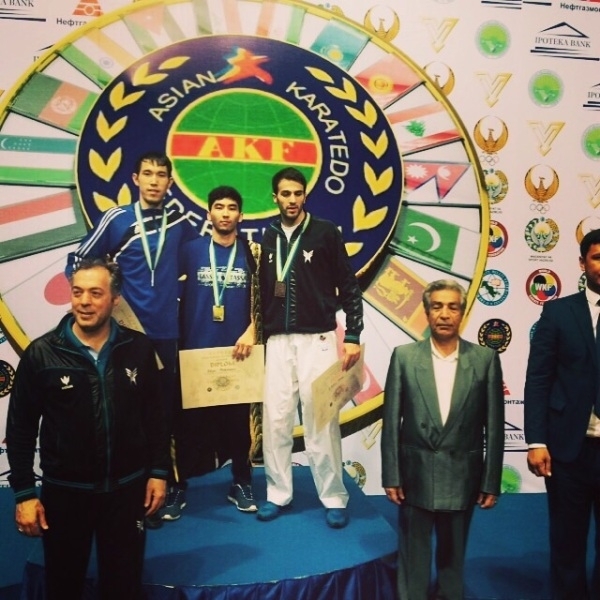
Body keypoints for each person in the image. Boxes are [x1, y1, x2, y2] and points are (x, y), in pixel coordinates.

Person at [6, 258, 169, 600]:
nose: (84, 301)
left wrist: (158, 471)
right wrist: (24, 494)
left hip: (126, 491)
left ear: (115, 299)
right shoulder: (42, 354)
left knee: (123, 586)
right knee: (63, 586)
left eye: (95, 293)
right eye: (77, 292)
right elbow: (20, 430)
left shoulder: (138, 349)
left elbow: (155, 416)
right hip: (66, 494)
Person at [66, 151, 198, 524]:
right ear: (135, 179)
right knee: (127, 412)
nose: (155, 180)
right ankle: (129, 489)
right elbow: (78, 262)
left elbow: (197, 263)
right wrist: (97, 301)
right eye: (148, 173)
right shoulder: (117, 218)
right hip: (126, 333)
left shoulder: (180, 222)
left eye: (161, 174)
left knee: (164, 412)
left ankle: (165, 486)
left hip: (167, 333)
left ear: (170, 182)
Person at [381, 279, 504, 600]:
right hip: (415, 475)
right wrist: (392, 474)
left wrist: (491, 481)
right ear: (426, 312)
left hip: (462, 476)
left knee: (453, 559)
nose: (445, 314)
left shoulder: (485, 359)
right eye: (437, 307)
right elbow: (391, 421)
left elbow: (494, 426)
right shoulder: (405, 357)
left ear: (463, 312)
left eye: (452, 307)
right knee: (413, 557)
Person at [257, 166, 363, 529]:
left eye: (297, 193)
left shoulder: (325, 232)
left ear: (305, 195)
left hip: (317, 339)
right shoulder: (267, 236)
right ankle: (277, 493)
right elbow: (260, 292)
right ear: (275, 197)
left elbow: (348, 285)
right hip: (277, 341)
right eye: (285, 194)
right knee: (276, 419)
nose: (292, 200)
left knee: (321, 419)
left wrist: (353, 334)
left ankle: (333, 496)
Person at [524, 228, 600, 599]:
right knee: (567, 541)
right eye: (597, 257)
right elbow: (538, 379)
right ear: (583, 263)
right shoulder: (558, 312)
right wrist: (536, 441)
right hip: (570, 449)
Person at [177, 185, 260, 512]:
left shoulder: (253, 253)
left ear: (241, 215)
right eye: (219, 207)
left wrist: (253, 330)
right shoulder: (190, 251)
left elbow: (267, 300)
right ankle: (177, 486)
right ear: (208, 213)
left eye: (231, 208)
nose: (225, 214)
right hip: (195, 352)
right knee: (188, 427)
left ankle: (241, 482)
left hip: (239, 355)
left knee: (239, 427)